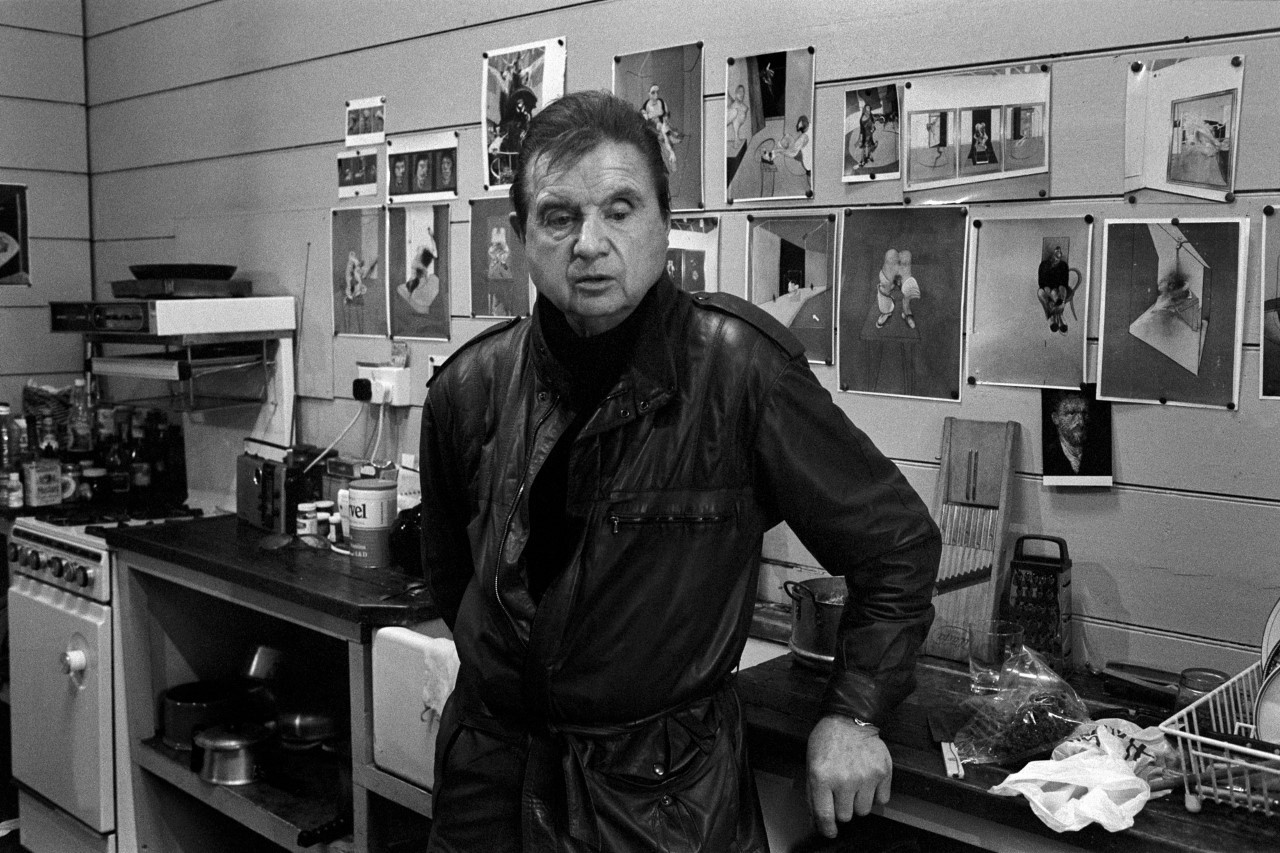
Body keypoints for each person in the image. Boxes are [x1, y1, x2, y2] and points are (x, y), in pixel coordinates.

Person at [419, 90, 940, 853]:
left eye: (620, 209)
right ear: (521, 234)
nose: (589, 243)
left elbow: (896, 545)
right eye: (559, 216)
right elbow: (450, 578)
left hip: (660, 805)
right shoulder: (468, 389)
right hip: (488, 785)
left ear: (666, 223)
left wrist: (855, 711)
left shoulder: (740, 374)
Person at [1043, 390, 1109, 477]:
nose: (1081, 422)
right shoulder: (1047, 456)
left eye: (1084, 413)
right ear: (1056, 418)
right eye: (1071, 413)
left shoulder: (1101, 456)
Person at [1037, 245, 1072, 334]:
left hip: (1059, 290)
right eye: (1054, 258)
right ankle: (1051, 316)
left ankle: (1059, 316)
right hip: (1047, 289)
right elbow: (1041, 282)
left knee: (1056, 292)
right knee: (1040, 292)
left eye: (1058, 259)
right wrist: (1047, 290)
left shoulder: (1063, 265)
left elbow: (1064, 283)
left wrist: (1059, 296)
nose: (1056, 260)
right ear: (1051, 256)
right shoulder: (1044, 265)